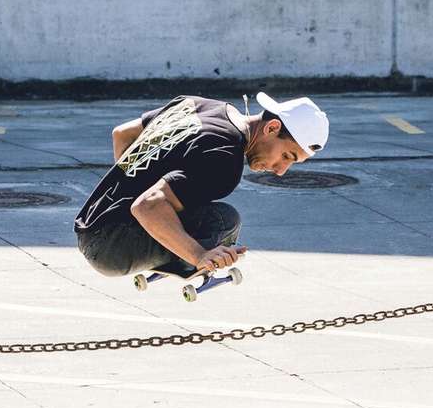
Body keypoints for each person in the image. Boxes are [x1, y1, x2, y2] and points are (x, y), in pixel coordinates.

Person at [74, 92, 329, 277]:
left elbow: (121, 133)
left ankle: (166, 239)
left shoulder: (199, 105)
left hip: (88, 226)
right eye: (286, 156)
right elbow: (147, 206)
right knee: (224, 220)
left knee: (176, 201)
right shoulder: (224, 163)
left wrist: (134, 183)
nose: (281, 171)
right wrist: (199, 255)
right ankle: (182, 259)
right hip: (113, 250)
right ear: (272, 128)